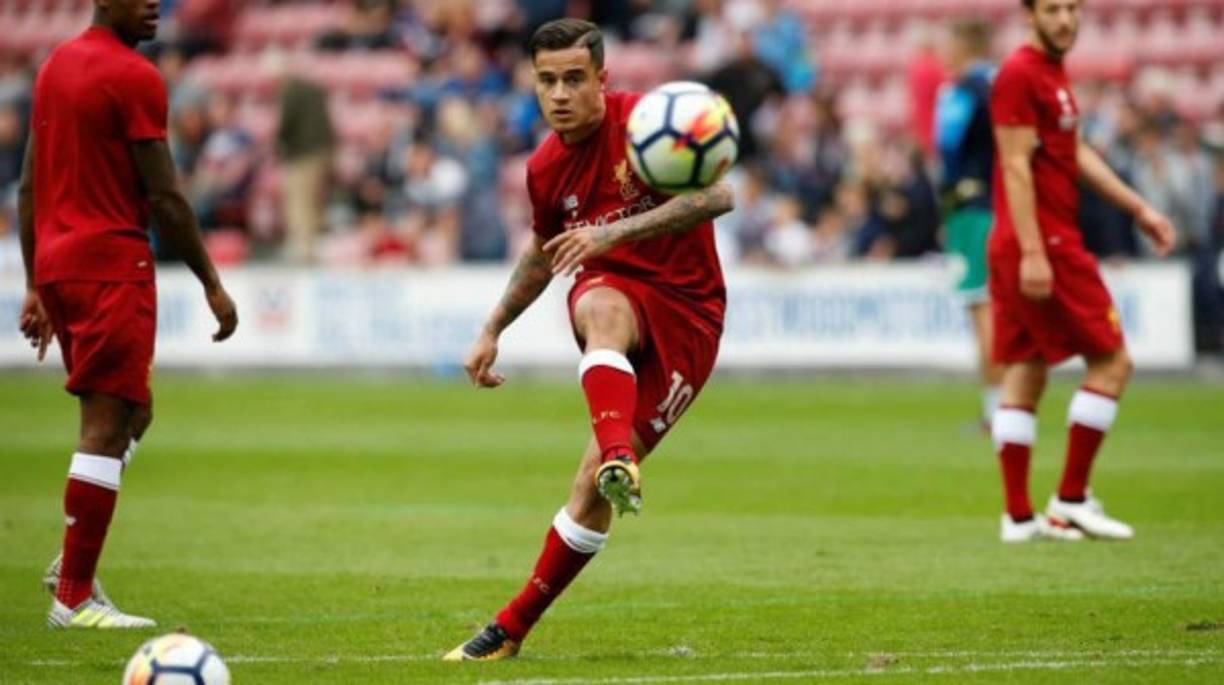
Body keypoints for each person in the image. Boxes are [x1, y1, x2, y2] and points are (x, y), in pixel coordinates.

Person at [445, 18, 734, 660]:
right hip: (612, 290)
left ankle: (515, 625)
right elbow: (543, 255)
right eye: (546, 81)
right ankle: (614, 457)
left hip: (690, 313)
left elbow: (720, 194)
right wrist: (492, 327)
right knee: (601, 304)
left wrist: (609, 235)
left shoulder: (648, 124)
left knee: (587, 491)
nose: (560, 94)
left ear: (602, 80)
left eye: (574, 79)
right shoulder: (545, 166)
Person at [17, 0, 238, 627]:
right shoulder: (133, 75)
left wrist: (37, 281)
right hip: (111, 263)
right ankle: (74, 596)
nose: (154, 5)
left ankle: (72, 560)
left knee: (134, 409)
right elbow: (164, 194)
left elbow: (30, 183)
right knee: (107, 425)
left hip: (62, 262)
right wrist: (212, 283)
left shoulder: (55, 66)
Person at [989, 0, 1175, 543]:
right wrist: (1032, 250)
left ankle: (1019, 517)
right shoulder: (1022, 73)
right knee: (1113, 363)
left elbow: (1072, 152)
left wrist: (1137, 208)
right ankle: (1071, 499)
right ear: (1029, 14)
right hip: (1044, 239)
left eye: (1073, 8)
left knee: (1026, 368)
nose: (1066, 19)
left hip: (1028, 239)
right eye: (1053, 9)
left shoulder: (1050, 71)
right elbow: (1015, 164)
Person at [935, 17, 1003, 427]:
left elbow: (946, 143)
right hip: (1003, 205)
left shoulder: (963, 89)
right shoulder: (1003, 83)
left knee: (982, 307)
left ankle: (997, 411)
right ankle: (1007, 407)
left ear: (964, 44)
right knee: (998, 305)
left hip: (972, 207)